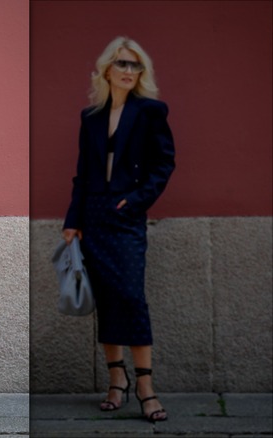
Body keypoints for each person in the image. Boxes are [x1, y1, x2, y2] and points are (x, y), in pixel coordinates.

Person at [63, 36, 175, 423]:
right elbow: (82, 173)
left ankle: (145, 385)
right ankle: (116, 381)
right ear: (107, 69)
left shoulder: (151, 111)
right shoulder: (91, 117)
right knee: (107, 299)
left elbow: (164, 164)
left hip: (126, 216)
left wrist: (137, 200)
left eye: (135, 65)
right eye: (123, 64)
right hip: (92, 216)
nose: (129, 71)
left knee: (131, 296)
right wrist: (72, 221)